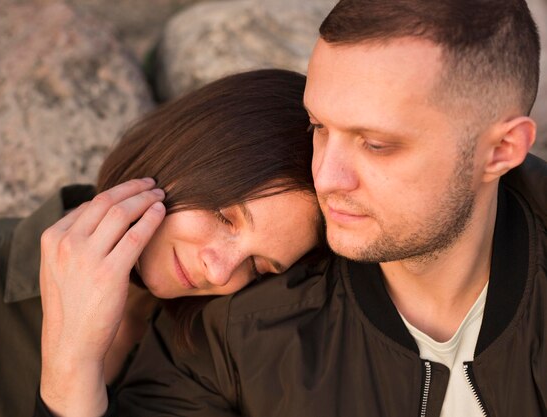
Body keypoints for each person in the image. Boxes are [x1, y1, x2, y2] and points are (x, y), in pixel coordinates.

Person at [35, 0, 547, 416]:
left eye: (375, 144)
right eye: (319, 127)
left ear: (500, 151)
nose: (325, 177)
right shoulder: (232, 333)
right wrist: (68, 380)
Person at [0, 69, 325, 417]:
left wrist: (72, 375)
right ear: (183, 154)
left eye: (258, 266)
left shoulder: (222, 349)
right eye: (223, 217)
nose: (221, 271)